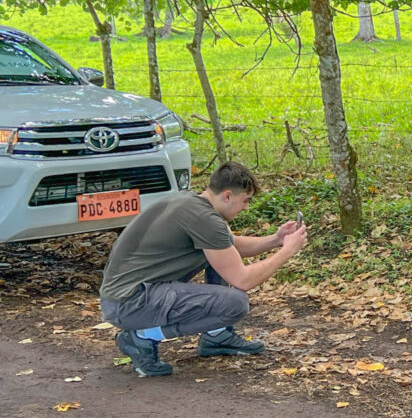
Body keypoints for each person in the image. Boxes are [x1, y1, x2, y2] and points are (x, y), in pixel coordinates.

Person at [99, 161, 307, 377]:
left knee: (222, 259)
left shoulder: (190, 202)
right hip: (129, 303)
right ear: (227, 196)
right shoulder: (205, 219)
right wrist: (287, 252)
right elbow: (243, 280)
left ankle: (216, 335)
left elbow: (230, 246)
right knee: (235, 303)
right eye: (245, 200)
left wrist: (276, 240)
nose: (247, 207)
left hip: (126, 295)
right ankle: (143, 336)